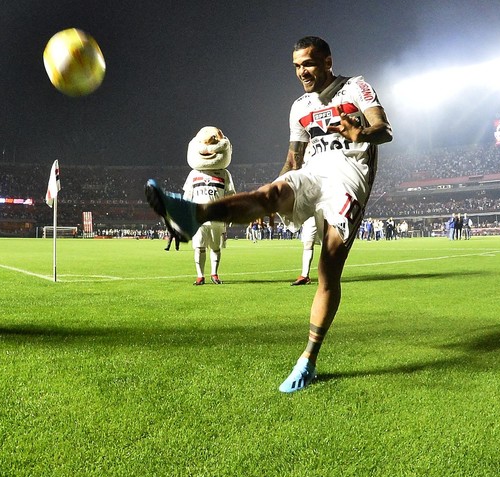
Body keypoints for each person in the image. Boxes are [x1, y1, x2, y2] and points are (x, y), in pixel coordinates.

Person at [145, 36, 392, 393]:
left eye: (307, 63)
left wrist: (360, 131)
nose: (301, 72)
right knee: (271, 191)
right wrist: (267, 201)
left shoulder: (355, 87)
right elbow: (294, 160)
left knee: (328, 269)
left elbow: (384, 130)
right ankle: (193, 214)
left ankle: (308, 360)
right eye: (296, 66)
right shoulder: (299, 107)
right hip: (313, 171)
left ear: (327, 62)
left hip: (348, 180)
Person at [181, 126, 235, 285]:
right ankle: (200, 276)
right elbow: (187, 196)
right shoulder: (194, 174)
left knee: (216, 247)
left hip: (217, 217)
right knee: (199, 247)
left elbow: (230, 195)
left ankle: (215, 274)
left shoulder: (224, 173)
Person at [291, 216, 317, 286]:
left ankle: (330, 275)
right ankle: (304, 276)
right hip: (310, 217)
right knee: (308, 243)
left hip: (326, 213)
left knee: (329, 242)